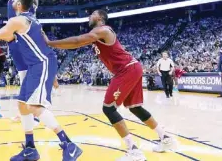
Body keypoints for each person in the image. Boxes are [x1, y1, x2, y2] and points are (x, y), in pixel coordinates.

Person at [44, 10, 177, 161]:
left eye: (92, 14)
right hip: (131, 67)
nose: (89, 16)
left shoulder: (102, 30)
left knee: (108, 108)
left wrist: (50, 43)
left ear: (100, 18)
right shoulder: (98, 33)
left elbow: (77, 41)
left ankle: (134, 151)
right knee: (135, 107)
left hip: (126, 69)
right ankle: (165, 138)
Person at [0, 0, 82, 161]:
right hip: (37, 64)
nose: (13, 0)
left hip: (42, 64)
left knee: (34, 106)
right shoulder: (31, 19)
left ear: (19, 5)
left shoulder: (17, 20)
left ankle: (69, 145)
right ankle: (30, 148)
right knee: (22, 105)